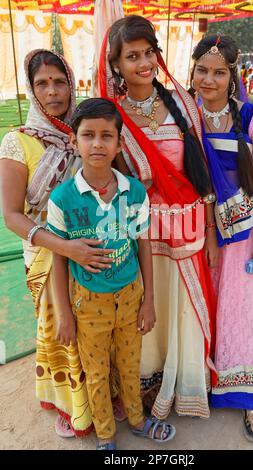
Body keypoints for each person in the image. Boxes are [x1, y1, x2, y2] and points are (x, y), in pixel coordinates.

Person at [98, 15, 218, 420]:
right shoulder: (111, 115)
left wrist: (210, 231)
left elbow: (200, 171)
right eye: (132, 56)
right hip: (141, 236)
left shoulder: (182, 103)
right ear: (116, 64)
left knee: (181, 311)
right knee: (145, 312)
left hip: (185, 231)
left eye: (149, 52)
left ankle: (182, 385)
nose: (144, 62)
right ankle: (144, 387)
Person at [47, 97, 176, 450]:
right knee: (98, 372)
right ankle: (105, 433)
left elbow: (143, 244)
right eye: (88, 135)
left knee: (130, 365)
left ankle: (136, 419)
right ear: (74, 141)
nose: (98, 144)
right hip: (88, 305)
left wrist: (148, 300)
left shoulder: (134, 191)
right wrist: (64, 315)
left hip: (131, 295)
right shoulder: (63, 199)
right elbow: (59, 260)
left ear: (119, 143)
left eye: (107, 136)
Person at [0, 50, 114, 437]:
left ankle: (104, 394)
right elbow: (13, 215)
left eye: (60, 81)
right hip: (48, 254)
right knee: (62, 332)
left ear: (72, 83)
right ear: (31, 91)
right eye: (42, 84)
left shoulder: (86, 132)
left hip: (93, 250)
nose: (53, 92)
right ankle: (72, 406)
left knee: (96, 327)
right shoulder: (18, 141)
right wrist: (66, 248)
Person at [190, 34, 253, 442]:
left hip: (247, 234)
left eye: (219, 72)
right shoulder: (188, 115)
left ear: (233, 77)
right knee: (209, 309)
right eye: (202, 71)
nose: (209, 80)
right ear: (192, 71)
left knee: (248, 312)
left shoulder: (252, 117)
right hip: (203, 235)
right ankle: (211, 381)